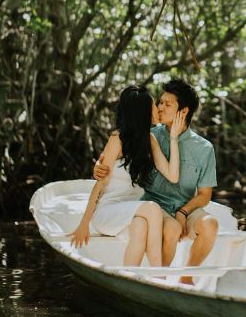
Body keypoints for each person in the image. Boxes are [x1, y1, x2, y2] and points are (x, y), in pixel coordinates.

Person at [95, 79, 219, 270]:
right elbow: (118, 152)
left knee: (210, 225)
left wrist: (183, 212)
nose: (160, 107)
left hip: (184, 206)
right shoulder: (150, 134)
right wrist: (99, 165)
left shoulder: (204, 148)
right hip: (152, 203)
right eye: (160, 102)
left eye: (167, 104)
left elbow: (205, 195)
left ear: (184, 111)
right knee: (171, 229)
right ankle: (161, 276)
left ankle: (187, 275)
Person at [70, 85, 186, 267]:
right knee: (152, 208)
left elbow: (173, 176)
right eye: (153, 104)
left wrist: (173, 138)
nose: (158, 108)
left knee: (141, 226)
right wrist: (83, 224)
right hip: (108, 212)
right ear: (142, 110)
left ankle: (130, 276)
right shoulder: (117, 139)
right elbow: (99, 185)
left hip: (132, 212)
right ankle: (159, 274)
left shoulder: (150, 140)